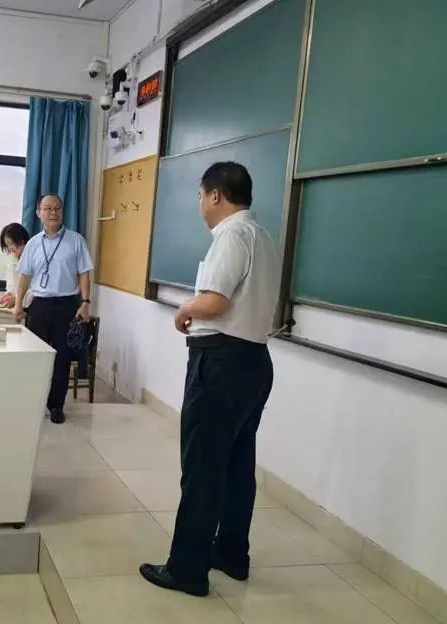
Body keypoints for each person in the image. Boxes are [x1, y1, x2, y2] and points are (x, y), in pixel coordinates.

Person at [140, 162, 280, 597]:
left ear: (216, 195)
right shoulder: (263, 236)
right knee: (236, 465)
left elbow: (214, 302)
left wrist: (184, 309)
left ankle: (187, 569)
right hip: (253, 361)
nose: (200, 204)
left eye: (201, 195)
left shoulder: (232, 235)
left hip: (220, 363)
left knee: (202, 468)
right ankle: (232, 553)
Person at [13, 194, 93, 424]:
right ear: (38, 213)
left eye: (57, 208)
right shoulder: (33, 244)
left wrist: (85, 302)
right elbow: (25, 276)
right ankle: (33, 402)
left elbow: (84, 273)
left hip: (67, 305)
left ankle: (56, 405)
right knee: (35, 357)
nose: (53, 212)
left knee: (62, 359)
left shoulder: (76, 240)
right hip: (39, 305)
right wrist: (18, 304)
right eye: (47, 208)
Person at [0, 222, 32, 310]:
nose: (10, 248)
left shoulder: (34, 258)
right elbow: (11, 285)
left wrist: (16, 299)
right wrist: (8, 295)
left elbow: (35, 291)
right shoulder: (13, 259)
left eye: (11, 243)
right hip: (18, 306)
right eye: (7, 245)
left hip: (33, 307)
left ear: (22, 240)